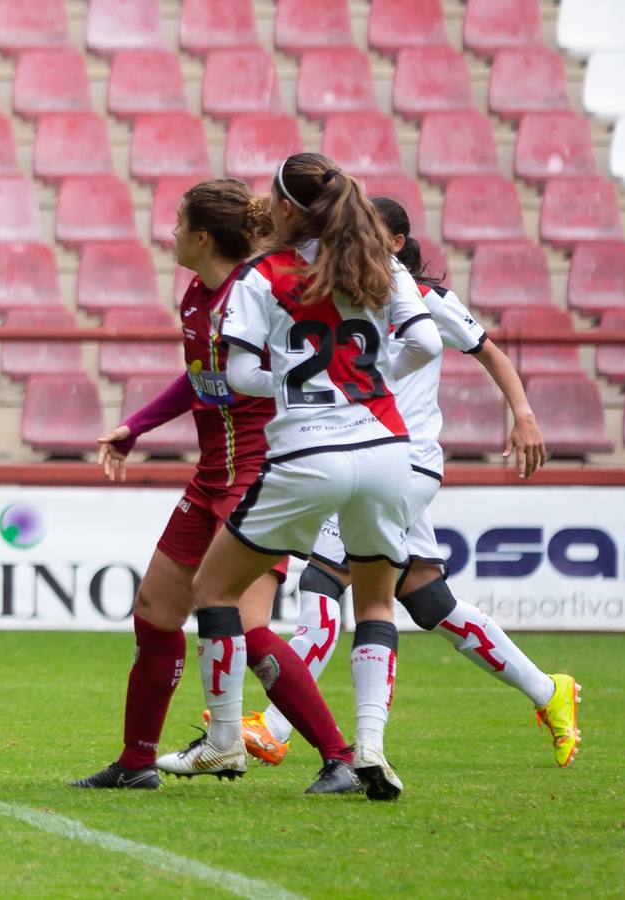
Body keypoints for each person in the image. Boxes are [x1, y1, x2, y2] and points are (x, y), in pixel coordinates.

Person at [248, 198, 581, 767]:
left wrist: (523, 415)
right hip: (374, 459)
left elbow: (489, 352)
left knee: (325, 578)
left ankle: (276, 726)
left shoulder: (424, 299)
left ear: (396, 243)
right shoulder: (346, 297)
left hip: (398, 462)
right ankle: (551, 692)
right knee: (428, 599)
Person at [155, 153, 443, 801]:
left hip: (307, 452)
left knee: (212, 588)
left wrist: (299, 385)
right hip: (387, 449)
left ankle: (224, 738)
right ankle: (368, 746)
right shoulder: (380, 264)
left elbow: (237, 376)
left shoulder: (265, 272)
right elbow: (424, 343)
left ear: (284, 209)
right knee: (373, 602)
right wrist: (366, 381)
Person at [67, 178, 359, 794]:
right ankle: (136, 761)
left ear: (202, 237)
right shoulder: (197, 298)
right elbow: (201, 377)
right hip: (210, 479)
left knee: (244, 625)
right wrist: (135, 426)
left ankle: (342, 759)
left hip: (261, 478)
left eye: (177, 224)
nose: (169, 233)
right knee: (155, 611)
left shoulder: (259, 296)